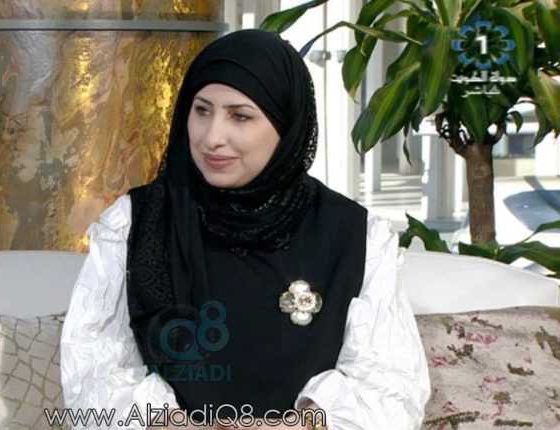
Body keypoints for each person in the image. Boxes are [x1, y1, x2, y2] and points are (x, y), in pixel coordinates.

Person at [61, 29, 430, 430]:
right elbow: (93, 370)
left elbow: (389, 386)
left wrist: (292, 427)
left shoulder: (355, 236)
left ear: (285, 124)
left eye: (240, 116)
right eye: (202, 110)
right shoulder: (134, 223)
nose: (212, 138)